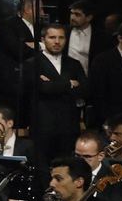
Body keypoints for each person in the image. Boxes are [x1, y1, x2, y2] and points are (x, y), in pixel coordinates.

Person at [25, 22, 88, 159]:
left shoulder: (74, 64)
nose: (57, 41)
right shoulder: (32, 63)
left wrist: (53, 85)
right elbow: (42, 88)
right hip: (43, 127)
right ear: (43, 39)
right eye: (52, 37)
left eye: (61, 38)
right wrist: (69, 84)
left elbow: (84, 90)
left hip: (69, 127)